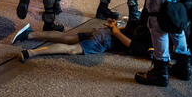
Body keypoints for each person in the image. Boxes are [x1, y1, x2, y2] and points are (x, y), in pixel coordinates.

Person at [11, 18, 152, 62]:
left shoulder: (150, 24)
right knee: (71, 49)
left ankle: (29, 35)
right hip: (105, 40)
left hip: (103, 33)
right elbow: (130, 44)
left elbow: (125, 30)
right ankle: (30, 53)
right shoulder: (153, 42)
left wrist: (114, 27)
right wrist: (115, 31)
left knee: (66, 38)